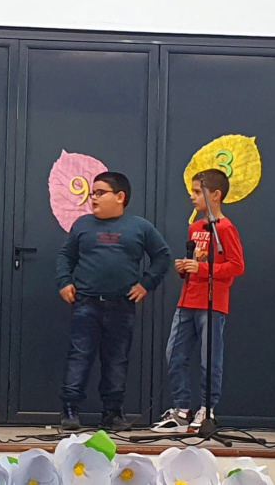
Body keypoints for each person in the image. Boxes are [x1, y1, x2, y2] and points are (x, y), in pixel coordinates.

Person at [56, 171, 171, 432]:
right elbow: (65, 256)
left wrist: (146, 284)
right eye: (92, 193)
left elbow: (162, 256)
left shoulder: (140, 227)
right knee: (79, 355)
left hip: (121, 305)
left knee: (117, 359)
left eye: (100, 192)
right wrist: (64, 282)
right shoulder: (82, 225)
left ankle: (112, 412)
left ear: (120, 197)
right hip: (86, 304)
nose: (93, 198)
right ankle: (70, 409)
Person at [153, 168, 244, 433]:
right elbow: (197, 261)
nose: (192, 197)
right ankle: (182, 408)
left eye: (197, 192)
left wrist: (202, 269)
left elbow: (236, 266)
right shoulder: (195, 228)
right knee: (175, 353)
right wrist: (185, 267)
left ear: (215, 195)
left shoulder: (225, 228)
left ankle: (208, 408)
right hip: (188, 300)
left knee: (209, 358)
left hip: (212, 304)